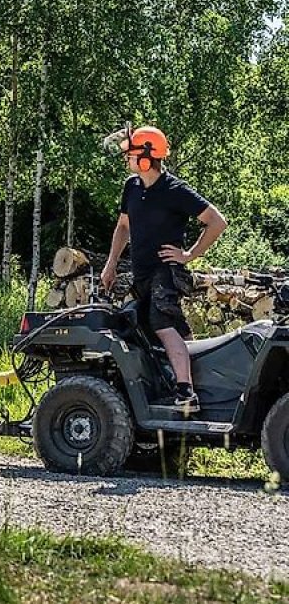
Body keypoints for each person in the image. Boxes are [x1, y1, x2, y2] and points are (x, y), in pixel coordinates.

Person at [101, 126, 228, 413]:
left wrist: (189, 254)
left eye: (130, 156)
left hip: (166, 272)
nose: (127, 161)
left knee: (163, 325)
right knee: (146, 330)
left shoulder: (175, 190)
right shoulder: (131, 187)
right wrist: (110, 265)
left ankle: (186, 396)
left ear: (146, 158)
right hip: (142, 273)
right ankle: (177, 388)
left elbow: (217, 221)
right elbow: (123, 227)